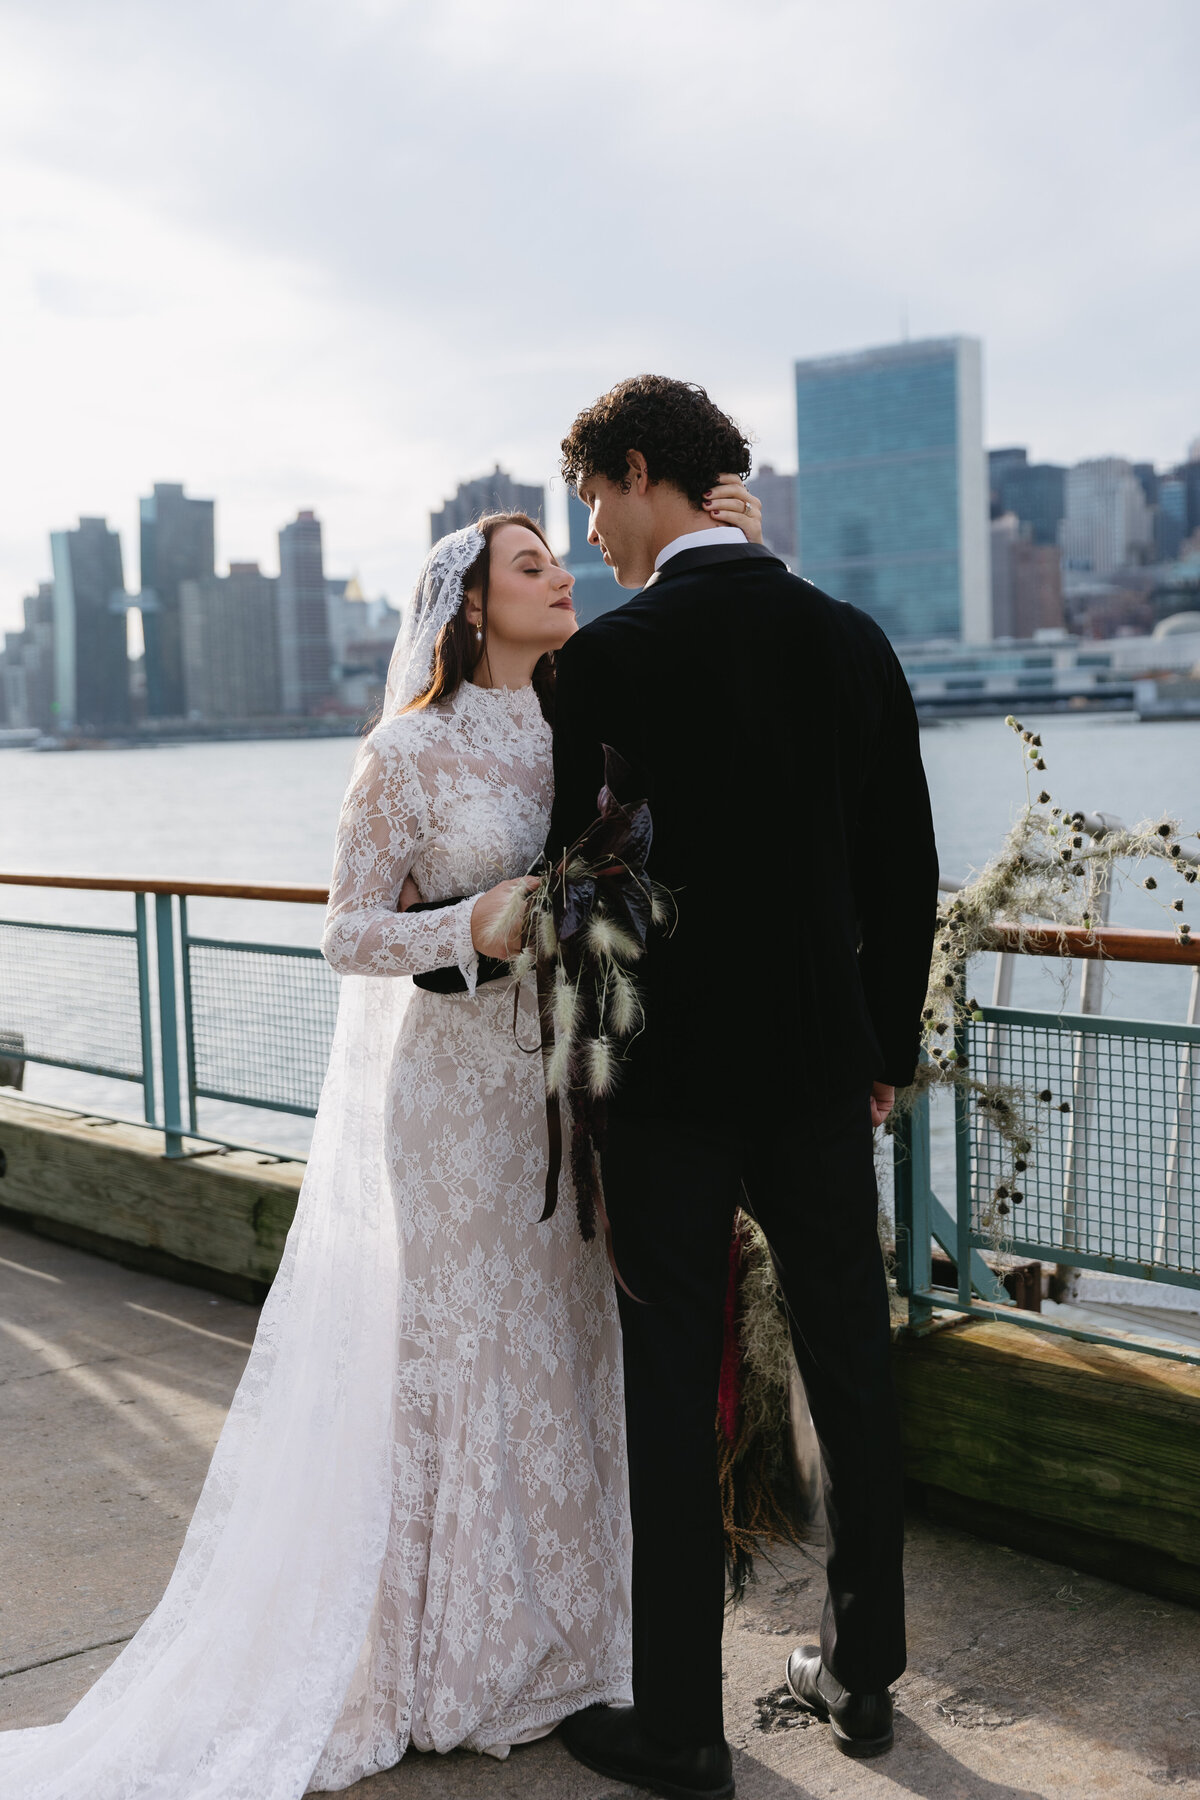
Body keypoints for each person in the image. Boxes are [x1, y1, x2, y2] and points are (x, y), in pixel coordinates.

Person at [0, 483, 763, 1798]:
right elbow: (344, 933)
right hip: (447, 1100)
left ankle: (577, 1647)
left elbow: (687, 727)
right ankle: (441, 1659)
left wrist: (739, 553)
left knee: (563, 1355)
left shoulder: (581, 727)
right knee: (460, 1355)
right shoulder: (401, 757)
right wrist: (470, 929)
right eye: (534, 564)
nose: (562, 575)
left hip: (561, 1093)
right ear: (474, 604)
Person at [549, 375, 939, 1796]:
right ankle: (863, 1675)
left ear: (642, 471)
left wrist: (591, 1072)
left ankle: (683, 1733)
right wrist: (882, 1051)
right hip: (828, 1072)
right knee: (851, 1360)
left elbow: (579, 897)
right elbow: (905, 871)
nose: (588, 527)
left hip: (662, 1087)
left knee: (671, 1389)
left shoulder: (601, 662)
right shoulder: (849, 638)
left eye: (592, 493)